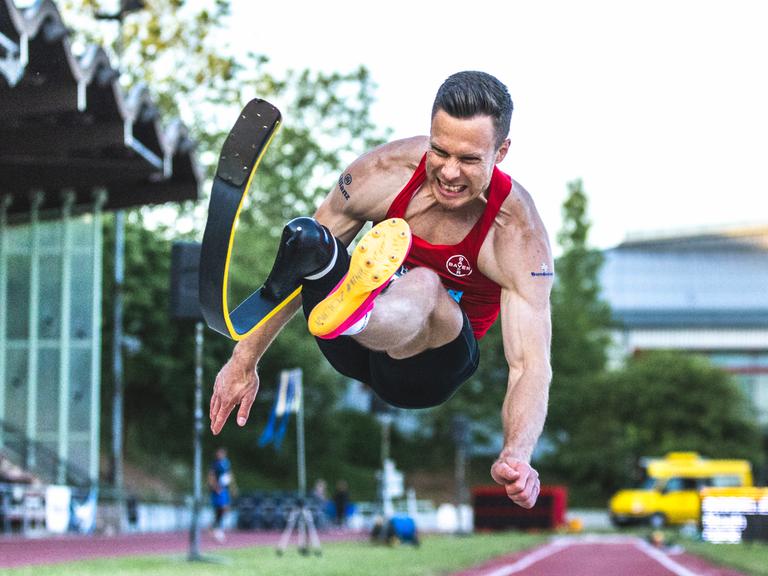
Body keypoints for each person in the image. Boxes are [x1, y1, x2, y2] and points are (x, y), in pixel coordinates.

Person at [210, 71, 553, 509]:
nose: (448, 172)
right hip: (348, 345)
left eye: (468, 160)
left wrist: (517, 454)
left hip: (427, 369)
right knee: (307, 240)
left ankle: (364, 309)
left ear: (501, 152)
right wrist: (244, 359)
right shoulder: (382, 173)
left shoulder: (517, 234)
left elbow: (530, 366)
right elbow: (294, 277)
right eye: (439, 150)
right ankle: (359, 308)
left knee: (427, 283)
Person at [207, 447, 235, 542]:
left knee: (225, 509)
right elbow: (211, 476)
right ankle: (217, 529)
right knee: (220, 508)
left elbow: (229, 475)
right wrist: (215, 487)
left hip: (225, 489)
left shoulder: (226, 463)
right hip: (218, 489)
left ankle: (214, 527)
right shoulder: (215, 464)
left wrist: (233, 487)